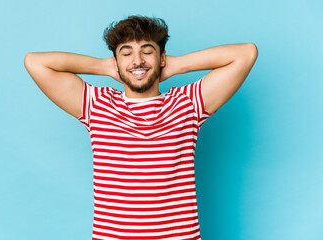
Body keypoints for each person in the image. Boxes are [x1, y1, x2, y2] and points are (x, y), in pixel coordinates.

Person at [24, 15, 258, 240]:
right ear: (116, 61)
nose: (137, 61)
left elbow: (246, 53)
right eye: (126, 53)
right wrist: (105, 67)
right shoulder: (96, 105)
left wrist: (175, 65)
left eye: (147, 51)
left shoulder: (187, 104)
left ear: (161, 57)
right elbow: (35, 62)